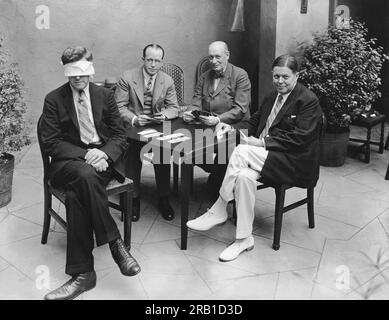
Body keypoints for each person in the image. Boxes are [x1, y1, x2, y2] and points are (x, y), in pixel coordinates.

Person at [187, 54, 323, 262]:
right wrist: (231, 129)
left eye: (285, 77)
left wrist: (261, 143)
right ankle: (243, 239)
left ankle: (220, 208)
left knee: (240, 152)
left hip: (293, 161)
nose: (280, 82)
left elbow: (301, 139)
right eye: (276, 76)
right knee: (242, 177)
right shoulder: (271, 97)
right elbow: (254, 124)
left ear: (297, 75)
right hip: (266, 158)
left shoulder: (307, 100)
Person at [40, 46, 141, 300]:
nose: (78, 77)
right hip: (69, 162)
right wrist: (86, 155)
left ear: (91, 68)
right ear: (66, 73)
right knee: (84, 175)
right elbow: (52, 143)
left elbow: (120, 135)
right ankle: (116, 245)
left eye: (82, 71)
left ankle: (84, 275)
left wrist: (104, 153)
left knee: (78, 195)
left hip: (103, 161)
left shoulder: (104, 95)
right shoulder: (54, 100)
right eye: (72, 72)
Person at [114, 44, 179, 221]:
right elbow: (118, 107)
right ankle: (133, 198)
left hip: (156, 127)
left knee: (163, 151)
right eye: (149, 60)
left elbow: (174, 108)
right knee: (133, 150)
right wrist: (134, 119)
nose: (152, 64)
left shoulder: (167, 80)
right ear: (143, 59)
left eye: (157, 61)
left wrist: (163, 115)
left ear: (162, 62)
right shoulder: (127, 77)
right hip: (134, 127)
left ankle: (163, 197)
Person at [183, 41, 251, 195]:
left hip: (236, 125)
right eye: (211, 57)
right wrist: (191, 113)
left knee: (225, 146)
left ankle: (218, 188)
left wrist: (219, 119)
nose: (213, 61)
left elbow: (240, 109)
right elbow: (195, 102)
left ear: (227, 55)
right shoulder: (204, 76)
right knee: (188, 146)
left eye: (218, 57)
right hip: (209, 125)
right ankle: (219, 174)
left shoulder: (240, 75)